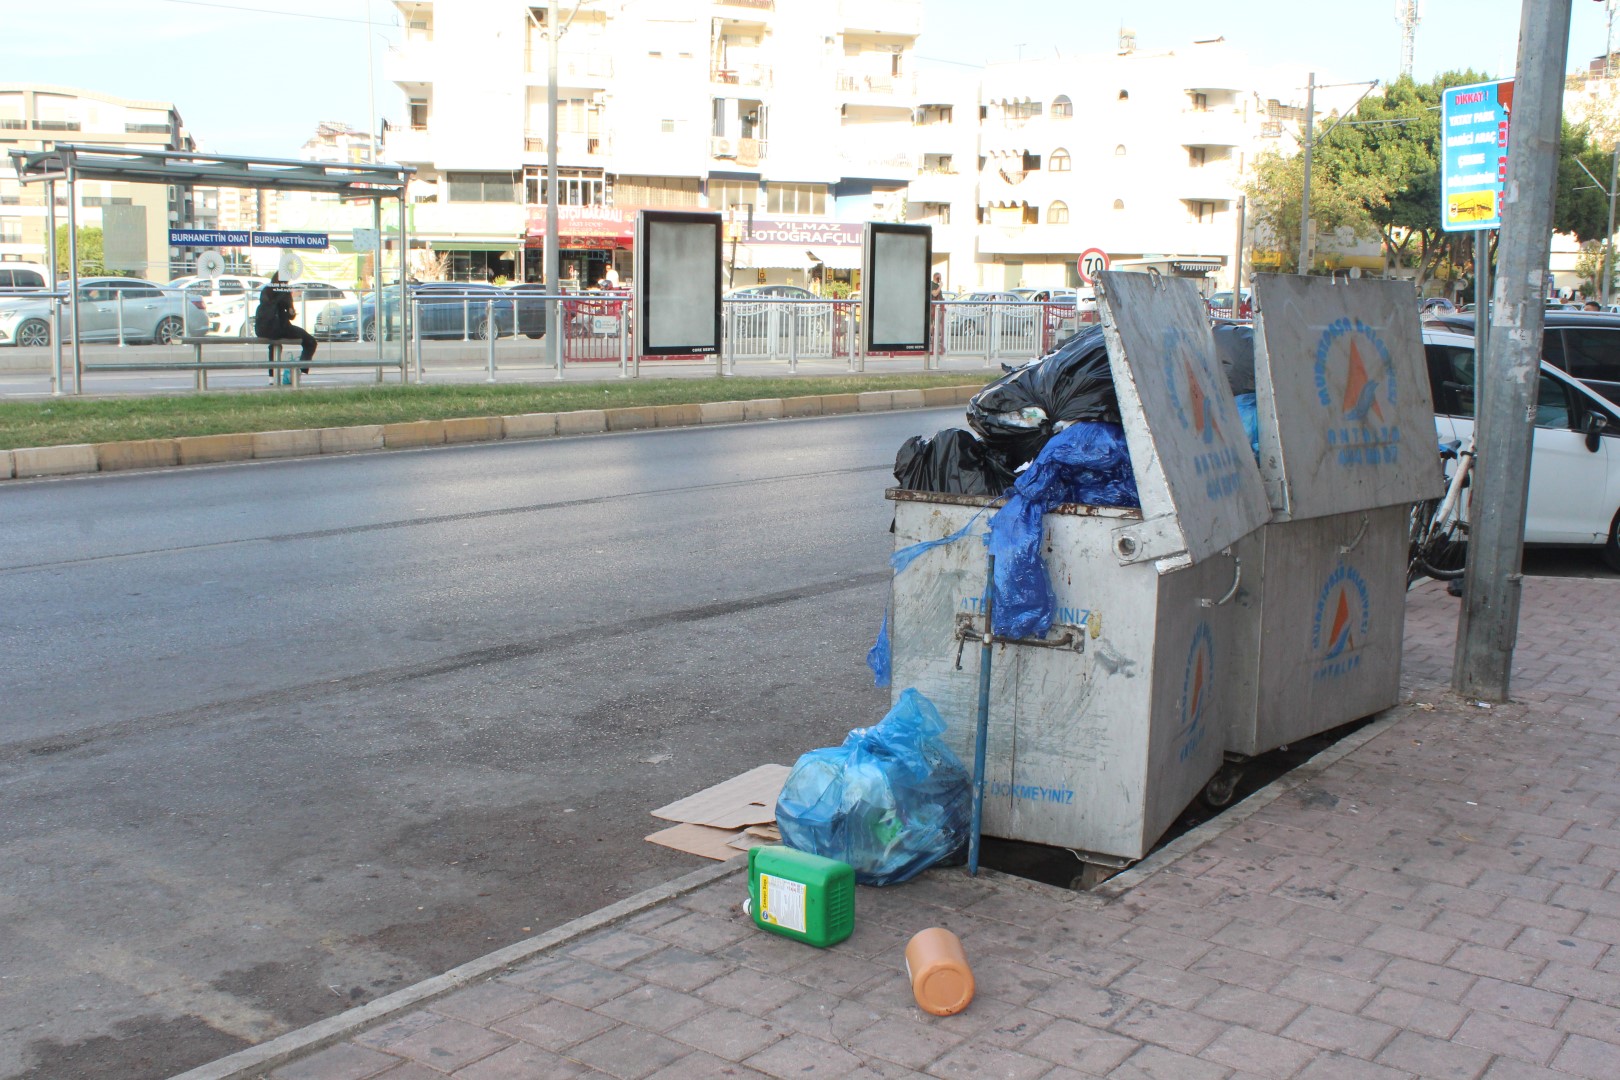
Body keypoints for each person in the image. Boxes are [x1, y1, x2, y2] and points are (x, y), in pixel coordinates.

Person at [254, 272, 316, 383]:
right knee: (310, 341)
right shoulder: (284, 292)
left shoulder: (266, 290)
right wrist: (291, 311)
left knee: (274, 344)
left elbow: (266, 307)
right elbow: (290, 315)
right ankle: (300, 370)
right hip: (281, 328)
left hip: (263, 329)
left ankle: (271, 377)